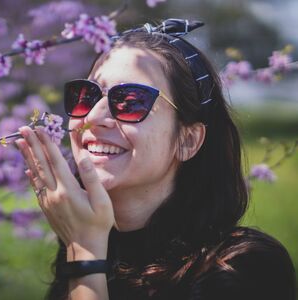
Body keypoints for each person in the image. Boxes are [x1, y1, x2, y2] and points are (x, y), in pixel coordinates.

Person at [15, 19, 296, 300]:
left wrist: (85, 258)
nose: (93, 117)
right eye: (85, 96)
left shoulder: (244, 268)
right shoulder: (89, 240)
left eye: (131, 101)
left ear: (188, 140)